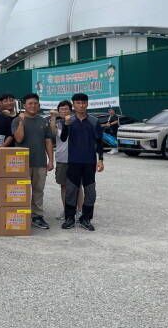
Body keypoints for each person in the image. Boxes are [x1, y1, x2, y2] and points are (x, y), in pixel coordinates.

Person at [60, 93, 104, 231]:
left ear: (87, 104)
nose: (81, 105)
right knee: (71, 191)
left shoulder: (94, 121)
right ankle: (69, 218)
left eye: (84, 102)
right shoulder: (69, 120)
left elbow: (99, 142)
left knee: (90, 192)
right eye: (78, 103)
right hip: (73, 161)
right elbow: (63, 138)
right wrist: (66, 125)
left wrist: (101, 159)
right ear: (73, 105)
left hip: (89, 162)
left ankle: (86, 218)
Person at [12, 93, 55, 230]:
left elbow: (48, 141)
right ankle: (19, 215)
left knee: (38, 190)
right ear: (24, 105)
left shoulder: (43, 121)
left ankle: (37, 216)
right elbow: (18, 139)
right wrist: (21, 122)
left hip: (39, 162)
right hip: (20, 163)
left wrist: (51, 160)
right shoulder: (17, 120)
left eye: (36, 103)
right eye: (30, 103)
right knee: (20, 191)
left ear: (39, 105)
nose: (33, 106)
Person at [49, 101, 83, 220]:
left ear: (71, 110)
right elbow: (53, 133)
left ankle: (79, 211)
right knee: (63, 186)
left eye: (66, 109)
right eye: (61, 109)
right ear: (58, 111)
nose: (64, 111)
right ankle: (67, 211)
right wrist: (53, 117)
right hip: (62, 159)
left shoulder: (77, 122)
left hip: (76, 159)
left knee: (77, 186)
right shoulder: (57, 123)